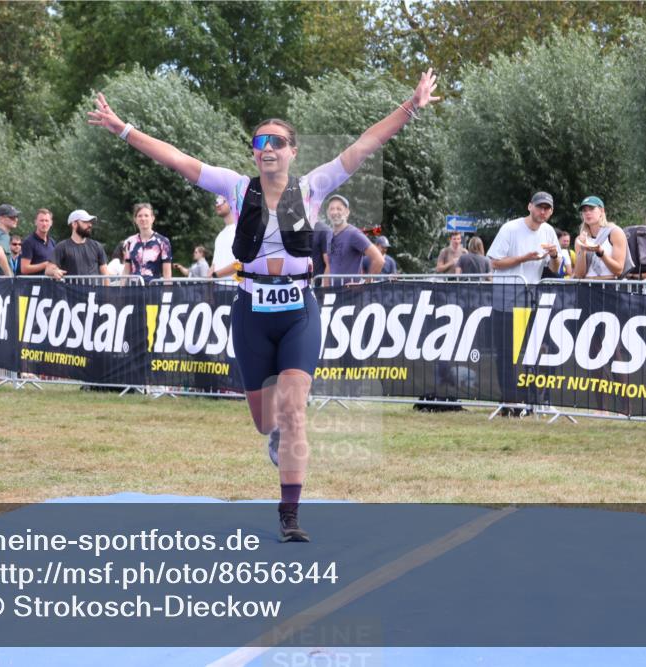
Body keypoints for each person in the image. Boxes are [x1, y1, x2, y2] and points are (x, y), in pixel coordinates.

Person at [88, 68, 440, 542]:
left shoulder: (313, 188)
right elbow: (176, 159)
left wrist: (411, 106)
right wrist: (123, 129)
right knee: (265, 420)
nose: (268, 148)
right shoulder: (236, 188)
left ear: (292, 151)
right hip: (252, 313)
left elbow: (364, 145)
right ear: (254, 153)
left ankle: (289, 515)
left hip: (298, 313)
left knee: (295, 411)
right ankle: (273, 436)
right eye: (260, 142)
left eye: (277, 141)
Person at [487, 191, 561, 413]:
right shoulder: (510, 228)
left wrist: (556, 256)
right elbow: (495, 263)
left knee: (543, 348)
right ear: (530, 207)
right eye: (539, 207)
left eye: (547, 208)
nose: (543, 211)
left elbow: (555, 269)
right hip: (507, 296)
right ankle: (509, 401)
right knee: (508, 352)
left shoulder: (549, 232)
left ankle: (534, 398)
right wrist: (524, 258)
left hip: (532, 297)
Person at [572, 196, 633, 280]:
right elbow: (579, 275)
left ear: (601, 211)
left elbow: (618, 270)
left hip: (609, 284)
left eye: (591, 209)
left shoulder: (615, 232)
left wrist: (601, 253)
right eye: (584, 210)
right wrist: (582, 249)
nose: (587, 213)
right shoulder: (580, 239)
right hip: (586, 286)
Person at [326, 194, 383, 281]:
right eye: (332, 209)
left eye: (339, 209)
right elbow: (329, 265)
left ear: (347, 212)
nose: (335, 212)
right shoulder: (329, 235)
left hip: (351, 294)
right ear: (328, 213)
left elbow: (379, 260)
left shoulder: (354, 234)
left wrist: (365, 285)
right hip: (331, 293)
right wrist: (324, 290)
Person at [115, 203, 173, 281]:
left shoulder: (163, 242)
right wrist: (121, 290)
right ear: (135, 220)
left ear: (152, 218)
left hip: (154, 288)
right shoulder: (129, 242)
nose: (143, 219)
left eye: (146, 215)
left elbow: (167, 273)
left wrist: (167, 292)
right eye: (140, 216)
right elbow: (126, 270)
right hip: (134, 289)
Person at [46, 209, 109, 279]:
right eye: (85, 222)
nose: (90, 225)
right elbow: (48, 269)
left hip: (94, 290)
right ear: (74, 224)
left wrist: (107, 290)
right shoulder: (62, 246)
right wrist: (55, 271)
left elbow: (105, 274)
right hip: (70, 289)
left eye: (90, 222)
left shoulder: (97, 246)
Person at [20, 209, 57, 277]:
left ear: (51, 223)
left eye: (47, 221)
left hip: (50, 284)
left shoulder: (52, 242)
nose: (44, 224)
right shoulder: (28, 242)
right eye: (41, 220)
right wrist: (45, 265)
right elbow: (24, 269)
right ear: (35, 222)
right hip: (35, 285)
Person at [209, 196, 238, 282]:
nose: (217, 204)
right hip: (218, 287)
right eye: (216, 201)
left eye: (221, 201)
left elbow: (241, 264)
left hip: (235, 287)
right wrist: (210, 272)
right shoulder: (220, 236)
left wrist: (215, 275)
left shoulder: (241, 231)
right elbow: (214, 264)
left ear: (232, 203)